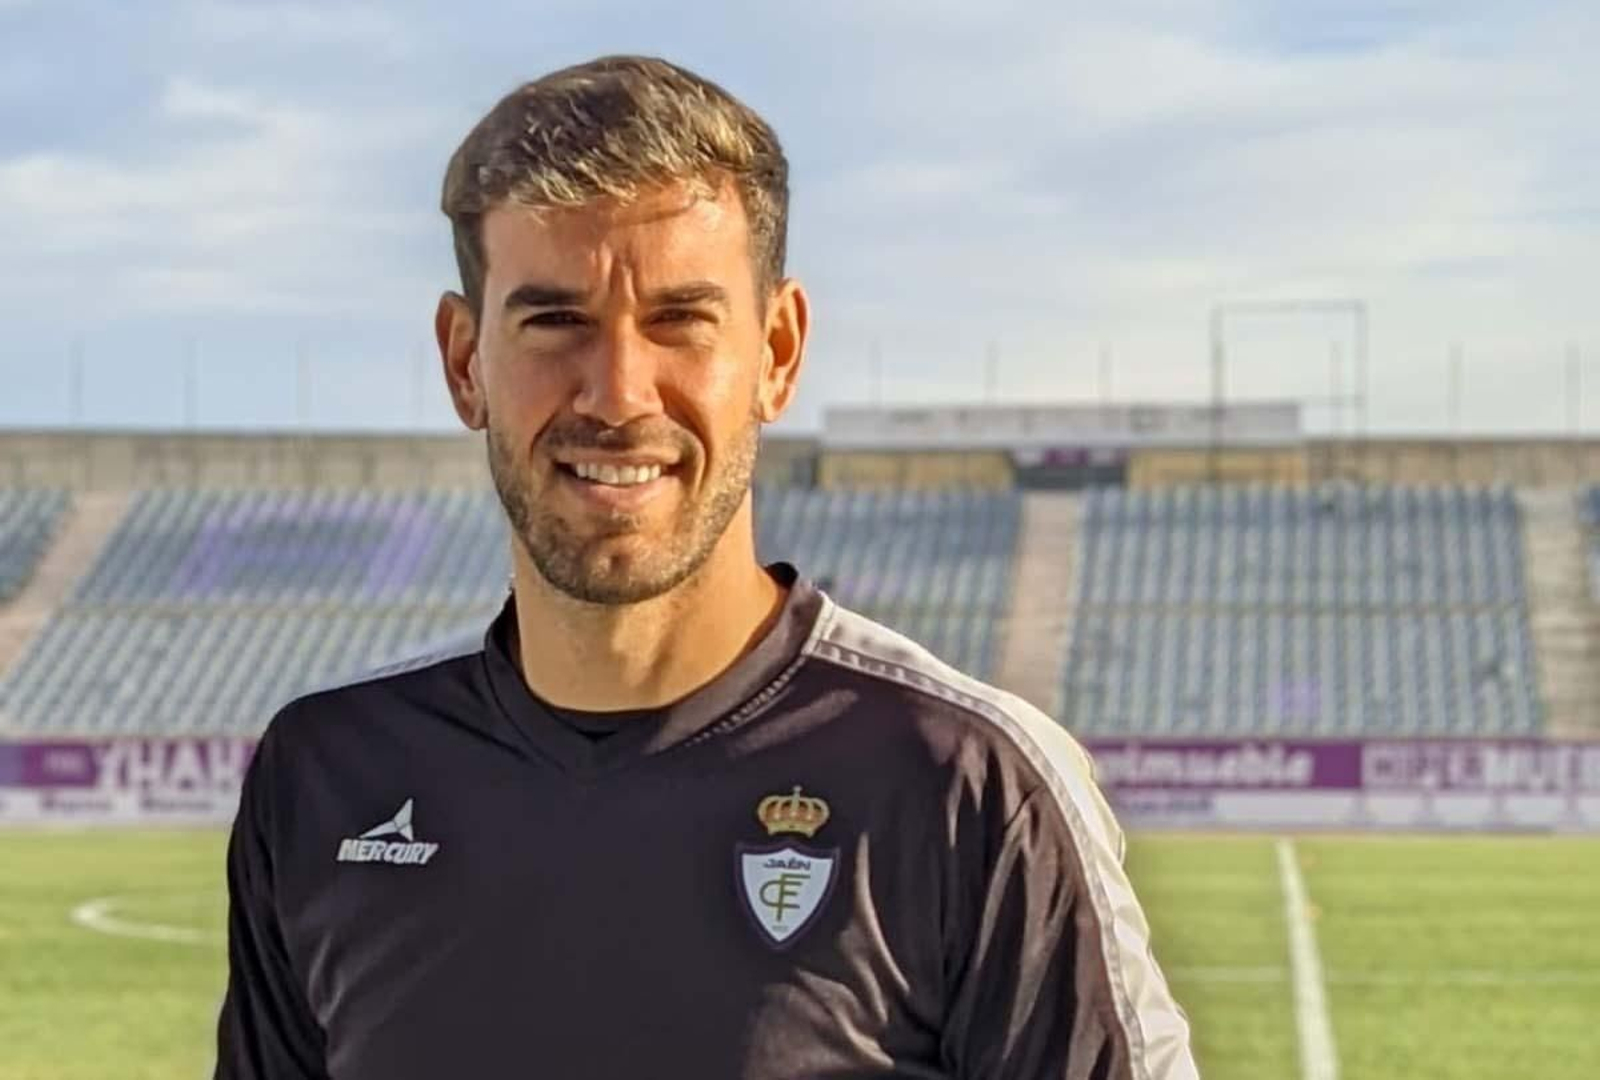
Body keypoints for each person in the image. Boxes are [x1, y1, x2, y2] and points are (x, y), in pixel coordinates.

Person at [213, 55, 1197, 1079]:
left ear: (776, 349)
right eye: (554, 322)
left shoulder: (970, 786)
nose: (617, 393)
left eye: (680, 320)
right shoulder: (326, 776)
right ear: (465, 362)